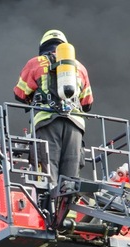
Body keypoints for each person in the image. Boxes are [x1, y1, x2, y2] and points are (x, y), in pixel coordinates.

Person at [13, 29, 93, 184]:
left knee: (47, 177)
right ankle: (67, 206)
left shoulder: (35, 63)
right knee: (71, 181)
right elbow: (87, 103)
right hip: (75, 125)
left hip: (46, 121)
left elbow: (19, 93)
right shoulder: (80, 67)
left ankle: (47, 206)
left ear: (43, 46)